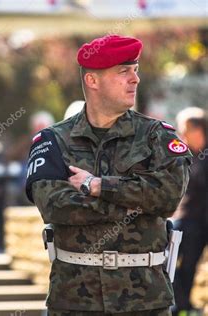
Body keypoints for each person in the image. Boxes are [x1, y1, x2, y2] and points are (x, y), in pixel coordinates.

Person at [25, 35, 192, 315]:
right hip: (75, 300)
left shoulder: (157, 136)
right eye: (123, 71)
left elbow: (168, 197)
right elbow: (56, 207)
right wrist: (137, 203)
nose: (135, 79)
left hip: (145, 300)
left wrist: (98, 185)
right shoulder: (53, 140)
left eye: (135, 70)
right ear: (93, 81)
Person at [172, 107, 207, 316]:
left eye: (186, 130)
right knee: (181, 263)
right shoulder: (183, 156)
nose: (182, 135)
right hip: (188, 219)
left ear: (199, 129)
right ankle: (181, 304)